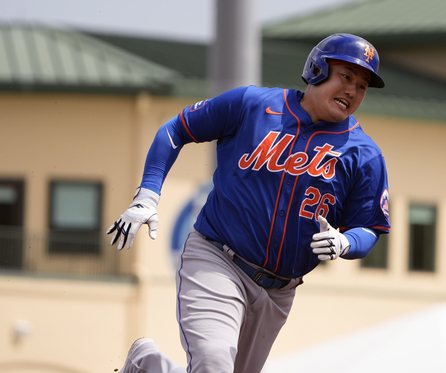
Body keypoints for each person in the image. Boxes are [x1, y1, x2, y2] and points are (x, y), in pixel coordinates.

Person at [107, 33, 391, 373]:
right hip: (217, 259)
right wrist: (148, 194)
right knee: (213, 364)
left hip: (278, 292)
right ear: (317, 69)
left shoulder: (364, 154)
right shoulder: (253, 105)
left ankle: (148, 366)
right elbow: (175, 129)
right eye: (346, 76)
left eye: (361, 86)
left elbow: (370, 228)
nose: (352, 91)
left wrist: (347, 241)